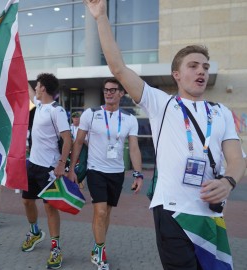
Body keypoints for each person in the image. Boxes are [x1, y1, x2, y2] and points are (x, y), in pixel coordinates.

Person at [84, 1, 246, 269]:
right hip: (172, 211)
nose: (201, 71)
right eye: (193, 66)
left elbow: (237, 159)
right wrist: (101, 17)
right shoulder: (162, 103)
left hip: (211, 214)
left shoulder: (221, 112)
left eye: (205, 67)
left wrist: (229, 182)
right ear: (177, 75)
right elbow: (119, 69)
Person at [68, 78, 143, 270]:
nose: (108, 93)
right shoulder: (91, 114)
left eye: (113, 90)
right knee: (100, 211)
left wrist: (138, 174)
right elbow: (78, 142)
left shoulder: (129, 119)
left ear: (121, 94)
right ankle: (101, 254)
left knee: (107, 212)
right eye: (106, 90)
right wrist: (71, 169)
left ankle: (97, 245)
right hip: (96, 170)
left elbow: (134, 149)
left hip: (117, 172)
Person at [22, 73, 72, 269]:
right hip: (32, 164)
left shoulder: (56, 110)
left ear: (43, 88)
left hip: (48, 168)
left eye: (37, 85)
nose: (35, 87)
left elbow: (67, 139)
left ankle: (55, 247)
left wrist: (61, 163)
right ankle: (35, 232)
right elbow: (26, 88)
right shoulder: (39, 104)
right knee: (27, 201)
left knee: (50, 208)